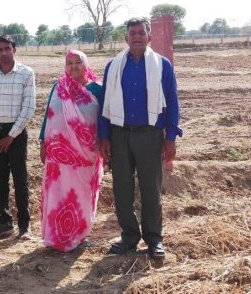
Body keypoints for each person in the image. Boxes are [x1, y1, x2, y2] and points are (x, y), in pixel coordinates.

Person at [98, 18, 182, 259]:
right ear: (126, 38)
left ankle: (154, 238)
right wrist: (104, 136)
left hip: (150, 135)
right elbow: (104, 102)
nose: (136, 36)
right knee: (122, 189)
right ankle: (129, 237)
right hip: (120, 135)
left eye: (141, 33)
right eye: (132, 33)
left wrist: (170, 137)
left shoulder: (162, 66)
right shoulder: (114, 66)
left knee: (151, 189)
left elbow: (172, 101)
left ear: (149, 37)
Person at [38, 50, 104, 252]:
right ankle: (54, 236)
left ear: (86, 66)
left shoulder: (97, 89)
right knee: (58, 193)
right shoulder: (58, 87)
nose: (73, 66)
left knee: (81, 194)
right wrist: (42, 141)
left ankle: (79, 235)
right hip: (58, 156)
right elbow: (48, 115)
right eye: (69, 63)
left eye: (78, 62)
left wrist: (106, 144)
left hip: (86, 156)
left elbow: (104, 120)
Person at [0, 35, 37, 241]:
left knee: (20, 180)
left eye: (7, 48)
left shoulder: (26, 73)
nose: (4, 52)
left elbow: (29, 108)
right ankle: (4, 222)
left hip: (17, 135)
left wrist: (11, 136)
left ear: (15, 49)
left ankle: (24, 225)